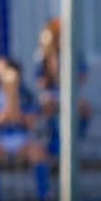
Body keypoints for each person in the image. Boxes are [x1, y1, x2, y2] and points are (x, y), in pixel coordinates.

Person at [0, 56, 52, 201]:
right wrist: (2, 117)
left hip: (22, 139)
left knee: (38, 152)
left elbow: (30, 122)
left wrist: (13, 101)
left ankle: (45, 198)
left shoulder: (27, 95)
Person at [29, 18, 90, 148]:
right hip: (51, 94)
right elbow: (41, 83)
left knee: (84, 107)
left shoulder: (74, 54)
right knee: (48, 104)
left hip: (70, 93)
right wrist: (52, 60)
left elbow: (82, 78)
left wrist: (65, 77)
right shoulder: (43, 55)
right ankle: (54, 142)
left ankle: (74, 143)